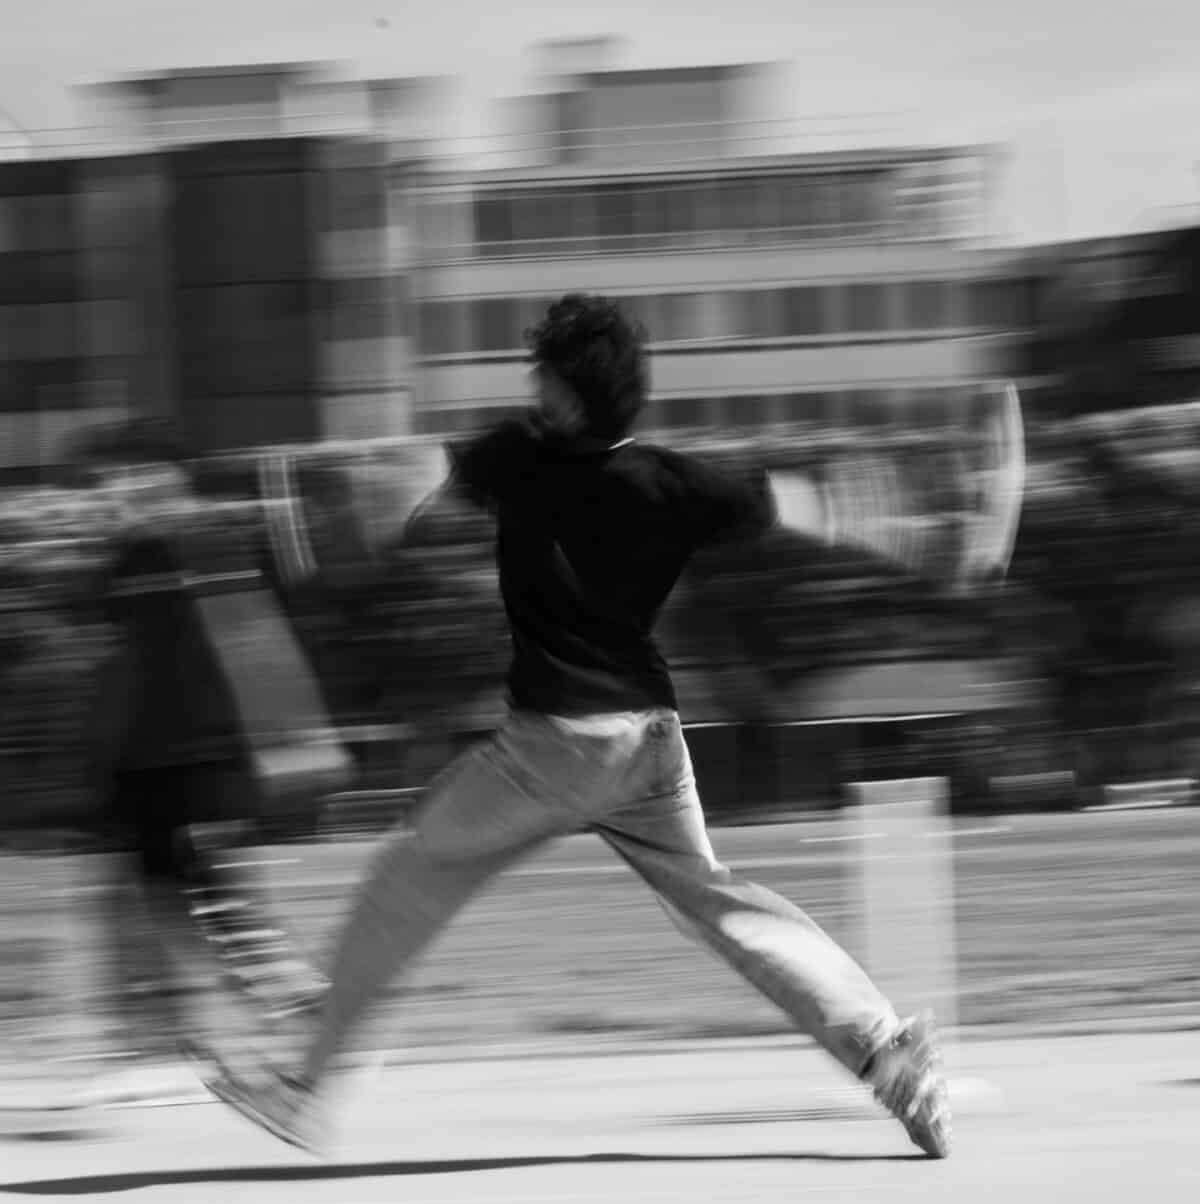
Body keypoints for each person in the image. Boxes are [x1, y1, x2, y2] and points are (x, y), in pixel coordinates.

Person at [195, 297, 1021, 1158]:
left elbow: (413, 479)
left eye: (540, 377)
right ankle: (891, 1059)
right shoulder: (676, 483)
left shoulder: (519, 458)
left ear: (563, 396)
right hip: (650, 745)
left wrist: (315, 518)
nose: (531, 390)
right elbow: (817, 505)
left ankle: (302, 1087)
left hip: (553, 748)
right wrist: (939, 537)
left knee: (408, 876)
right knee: (722, 903)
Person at [73, 419, 329, 1098]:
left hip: (203, 759)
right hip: (144, 766)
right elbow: (121, 668)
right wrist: (103, 760)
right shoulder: (123, 564)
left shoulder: (206, 546)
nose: (113, 492)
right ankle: (229, 1025)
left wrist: (286, 745)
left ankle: (301, 1009)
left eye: (129, 477)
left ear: (170, 478)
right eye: (108, 481)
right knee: (172, 899)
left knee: (216, 898)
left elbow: (257, 650)